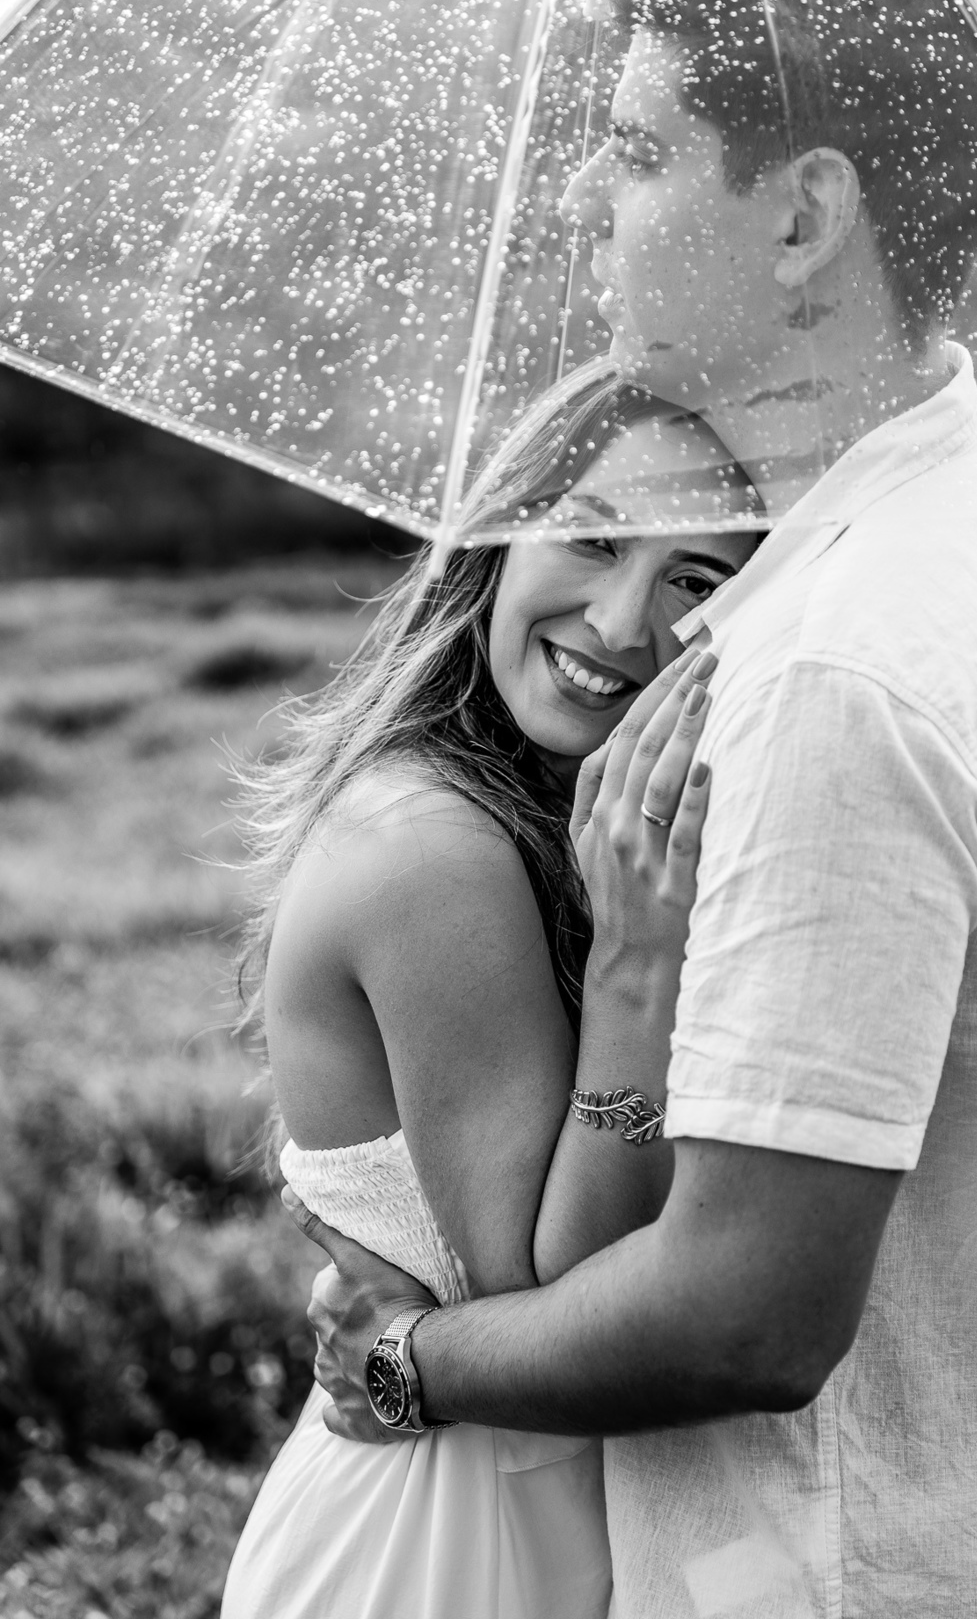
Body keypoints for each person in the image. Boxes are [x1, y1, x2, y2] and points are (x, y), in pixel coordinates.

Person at [290, 0, 977, 1619]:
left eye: (637, 151)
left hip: (856, 1574)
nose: (584, 197)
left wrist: (411, 1362)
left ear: (802, 217)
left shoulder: (841, 667)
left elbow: (746, 1317)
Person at [220, 362, 762, 1618]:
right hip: (446, 1538)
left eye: (696, 578)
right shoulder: (432, 848)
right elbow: (538, 1295)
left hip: (562, 1501)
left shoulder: (582, 821)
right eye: (595, 537)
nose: (620, 622)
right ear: (501, 532)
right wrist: (635, 965)